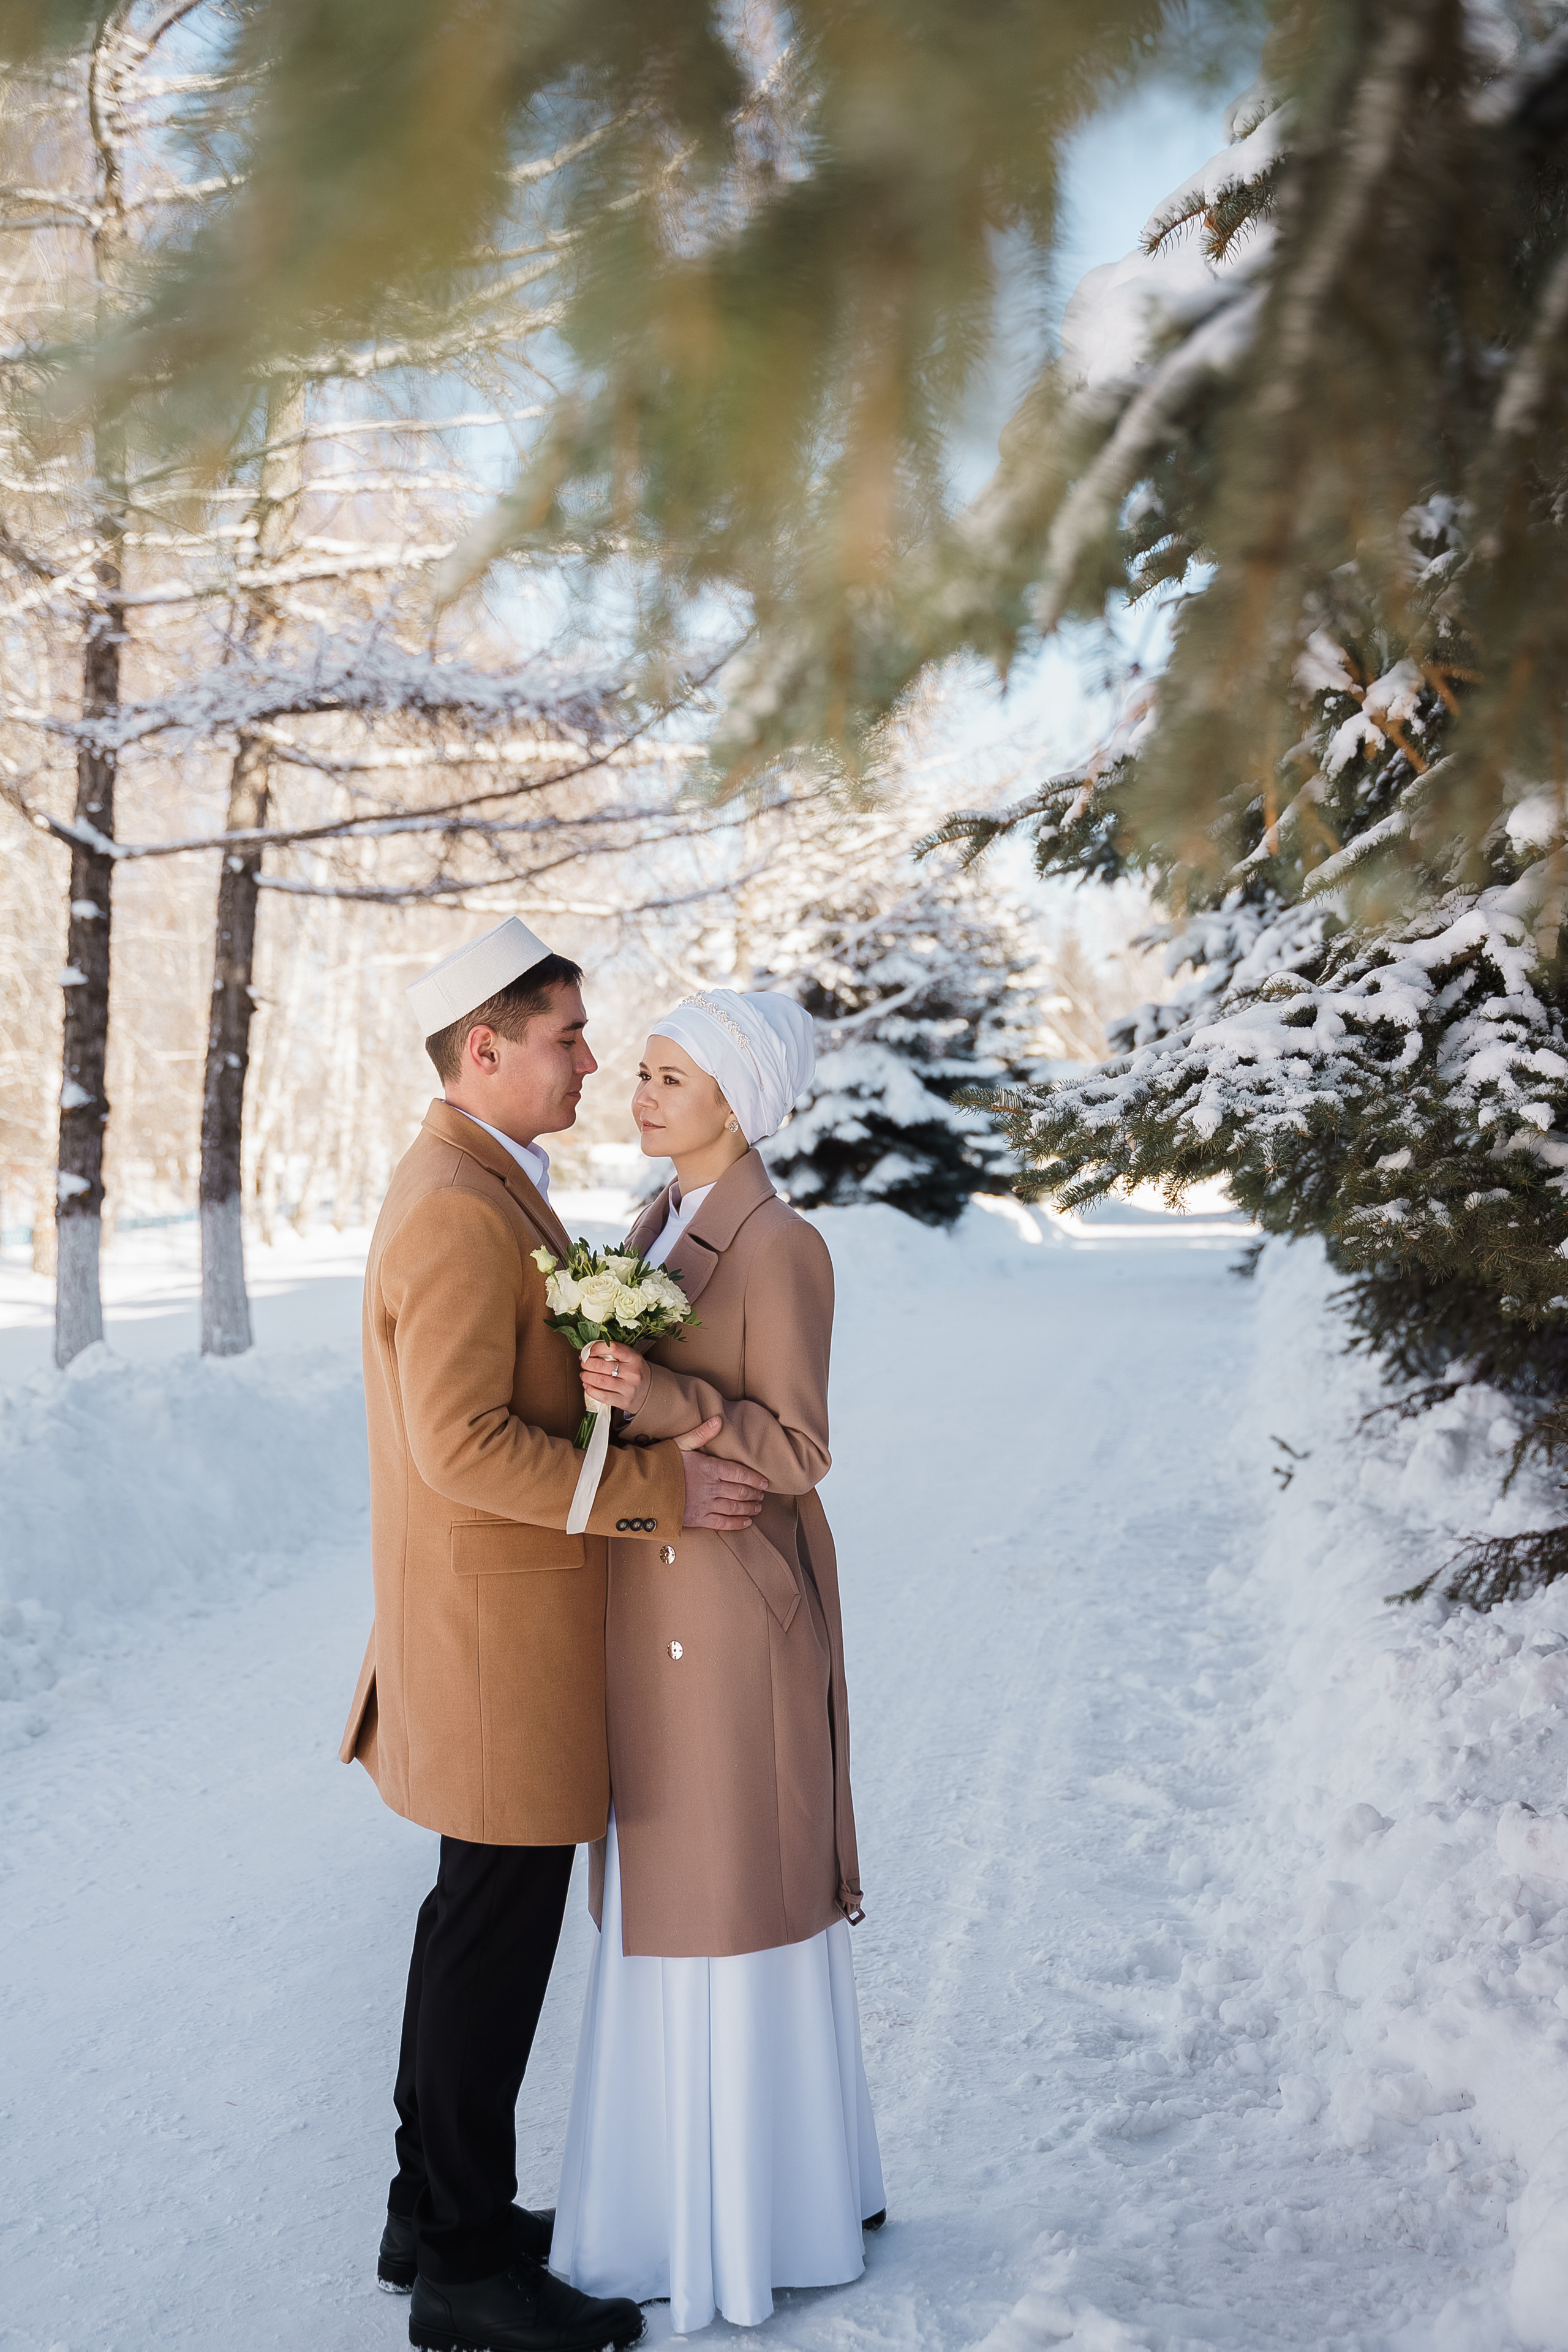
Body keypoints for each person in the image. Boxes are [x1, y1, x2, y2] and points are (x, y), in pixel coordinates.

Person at [338, 922, 769, 2352]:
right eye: (566, 1036)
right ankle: (463, 2272)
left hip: (489, 1623)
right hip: (488, 1636)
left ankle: (429, 2208)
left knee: (474, 1920)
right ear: (485, 1048)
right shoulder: (458, 1206)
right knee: (491, 1936)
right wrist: (657, 1485)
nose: (589, 1059)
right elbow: (458, 1443)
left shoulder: (486, 1182)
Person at [550, 988, 885, 2336]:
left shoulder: (781, 1244)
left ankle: (748, 2219)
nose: (639, 1094)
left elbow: (797, 1452)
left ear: (738, 1100)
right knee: (663, 1891)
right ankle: (664, 2203)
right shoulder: (648, 1226)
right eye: (641, 1072)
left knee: (727, 1895)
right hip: (653, 1596)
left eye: (672, 1078)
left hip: (735, 1610)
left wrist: (667, 1401)